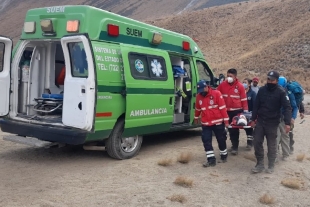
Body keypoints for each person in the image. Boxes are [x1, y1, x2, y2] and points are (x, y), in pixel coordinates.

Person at [250, 71, 292, 174]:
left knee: (272, 145)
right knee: (257, 142)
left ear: (277, 81)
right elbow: (256, 105)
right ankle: (259, 164)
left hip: (273, 123)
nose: (270, 81)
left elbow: (287, 108)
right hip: (260, 121)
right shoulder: (262, 90)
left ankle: (271, 165)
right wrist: (252, 119)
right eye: (268, 79)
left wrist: (287, 123)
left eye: (272, 80)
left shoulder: (281, 92)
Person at [194, 80, 229, 167]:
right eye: (199, 91)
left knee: (221, 139)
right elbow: (198, 108)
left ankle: (224, 155)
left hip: (218, 122)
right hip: (206, 123)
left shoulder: (216, 93)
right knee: (206, 140)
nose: (201, 92)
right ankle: (211, 160)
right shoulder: (199, 96)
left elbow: (222, 108)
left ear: (206, 87)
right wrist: (195, 117)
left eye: (202, 90)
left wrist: (226, 121)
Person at [217, 68, 248, 155]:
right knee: (223, 130)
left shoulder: (240, 86)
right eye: (228, 76)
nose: (229, 78)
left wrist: (245, 112)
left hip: (236, 112)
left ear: (235, 77)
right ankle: (223, 147)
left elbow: (244, 100)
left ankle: (235, 147)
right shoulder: (222, 85)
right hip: (225, 111)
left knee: (234, 130)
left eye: (230, 76)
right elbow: (217, 95)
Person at [276, 76, 298, 161]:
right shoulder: (275, 92)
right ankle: (275, 155)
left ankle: (285, 154)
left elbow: (294, 107)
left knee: (285, 136)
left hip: (286, 118)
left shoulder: (289, 93)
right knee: (276, 136)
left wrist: (293, 117)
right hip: (276, 117)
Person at [242, 78, 257, 150]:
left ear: (249, 84)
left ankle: (250, 143)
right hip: (242, 113)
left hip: (250, 113)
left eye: (245, 82)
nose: (243, 84)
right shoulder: (241, 93)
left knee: (249, 128)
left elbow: (255, 105)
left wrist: (253, 114)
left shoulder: (253, 93)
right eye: (243, 82)